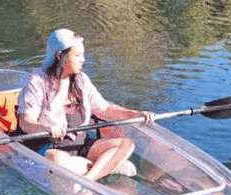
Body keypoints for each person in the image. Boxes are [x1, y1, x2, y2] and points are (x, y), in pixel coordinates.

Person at [17, 29, 155, 181]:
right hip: (51, 147)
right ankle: (104, 167)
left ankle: (89, 178)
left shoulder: (81, 80)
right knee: (56, 159)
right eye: (77, 55)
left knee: (126, 144)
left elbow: (105, 109)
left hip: (80, 146)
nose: (83, 60)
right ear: (59, 56)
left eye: (82, 55)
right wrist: (47, 129)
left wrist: (135, 114)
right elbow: (25, 122)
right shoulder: (36, 81)